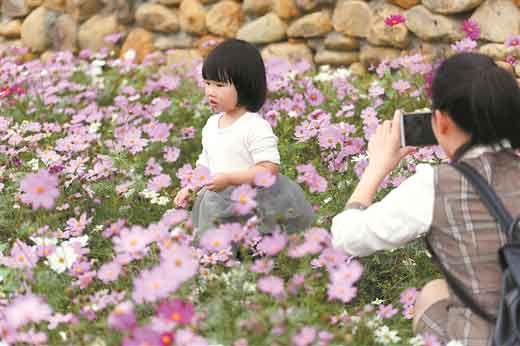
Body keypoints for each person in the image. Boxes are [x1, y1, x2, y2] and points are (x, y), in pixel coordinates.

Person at [331, 52, 520, 345]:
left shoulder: (434, 186)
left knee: (431, 294)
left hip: (482, 339)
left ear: (441, 122)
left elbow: (347, 238)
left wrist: (376, 167)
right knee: (438, 288)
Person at [174, 39, 314, 236]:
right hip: (218, 202)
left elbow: (269, 169)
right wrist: (191, 187)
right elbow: (205, 164)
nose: (210, 91)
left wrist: (230, 179)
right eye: (207, 83)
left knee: (256, 244)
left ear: (245, 86)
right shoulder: (211, 125)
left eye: (220, 85)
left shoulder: (254, 126)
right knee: (220, 244)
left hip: (254, 201)